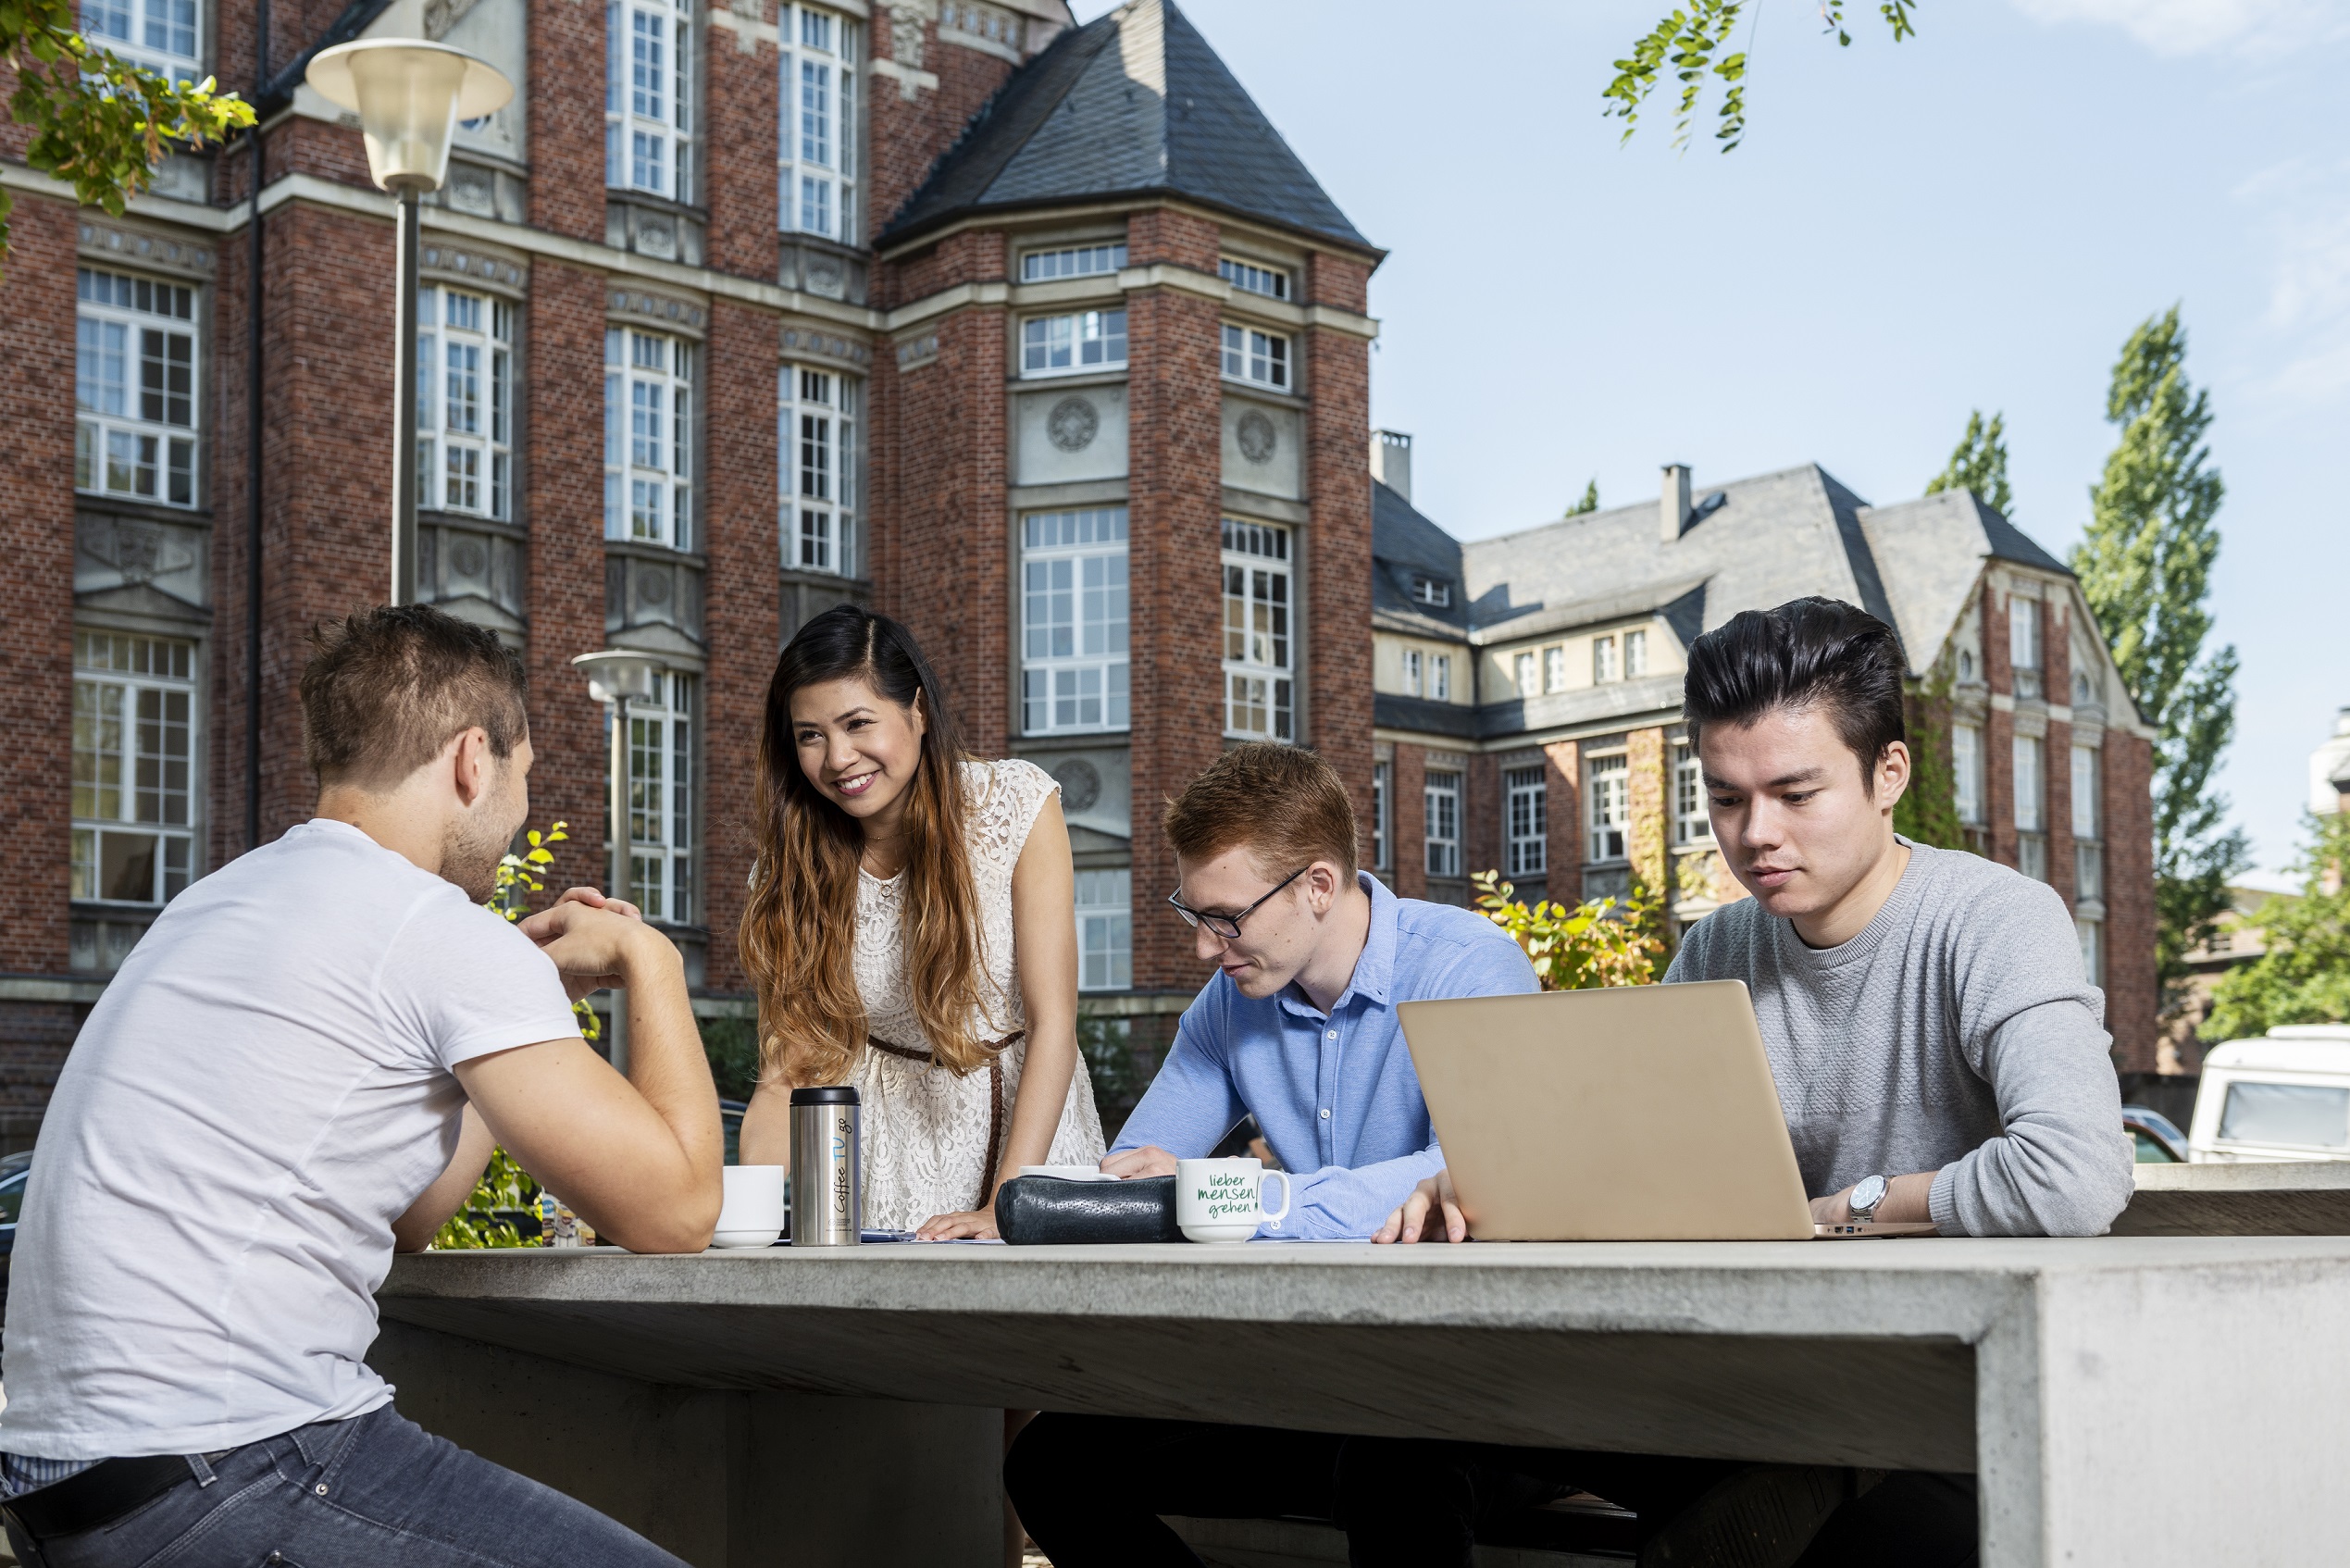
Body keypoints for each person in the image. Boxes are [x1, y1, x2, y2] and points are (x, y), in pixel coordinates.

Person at [1369, 596, 2134, 1568]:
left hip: (1937, 1401)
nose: (1754, 834)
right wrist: (1496, 1179)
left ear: (1886, 773)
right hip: (1749, 1378)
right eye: (1725, 797)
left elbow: (2074, 1172)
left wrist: (1843, 1210)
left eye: (1795, 792)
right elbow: (1639, 1167)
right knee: (1398, 1445)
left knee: (1802, 1532)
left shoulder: (1998, 921)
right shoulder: (1719, 943)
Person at [0, 604, 723, 1568]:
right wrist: (652, 959)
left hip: (76, 1485)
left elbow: (403, 1219)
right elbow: (675, 1214)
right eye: (524, 777)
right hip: (230, 1464)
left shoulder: (218, 898)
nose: (517, 820)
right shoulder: (432, 927)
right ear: (474, 758)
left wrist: (501, 1010)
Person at [1004, 741, 1540, 1568]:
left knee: (1393, 1465)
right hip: (1311, 1379)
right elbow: (1138, 1175)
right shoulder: (1229, 1004)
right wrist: (1041, 1203)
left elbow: (1480, 1175)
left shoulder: (1469, 968)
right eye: (1195, 915)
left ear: (1318, 886)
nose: (1203, 948)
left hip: (1476, 1388)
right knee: (1050, 1465)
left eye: (1227, 918)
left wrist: (1244, 1201)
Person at [737, 603, 1102, 1239]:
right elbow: (785, 1075)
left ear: (918, 712)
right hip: (878, 1157)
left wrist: (1004, 1208)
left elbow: (1055, 1026)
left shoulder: (1013, 805)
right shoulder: (787, 867)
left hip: (1026, 1139)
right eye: (809, 735)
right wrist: (746, 1218)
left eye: (857, 723)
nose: (838, 757)